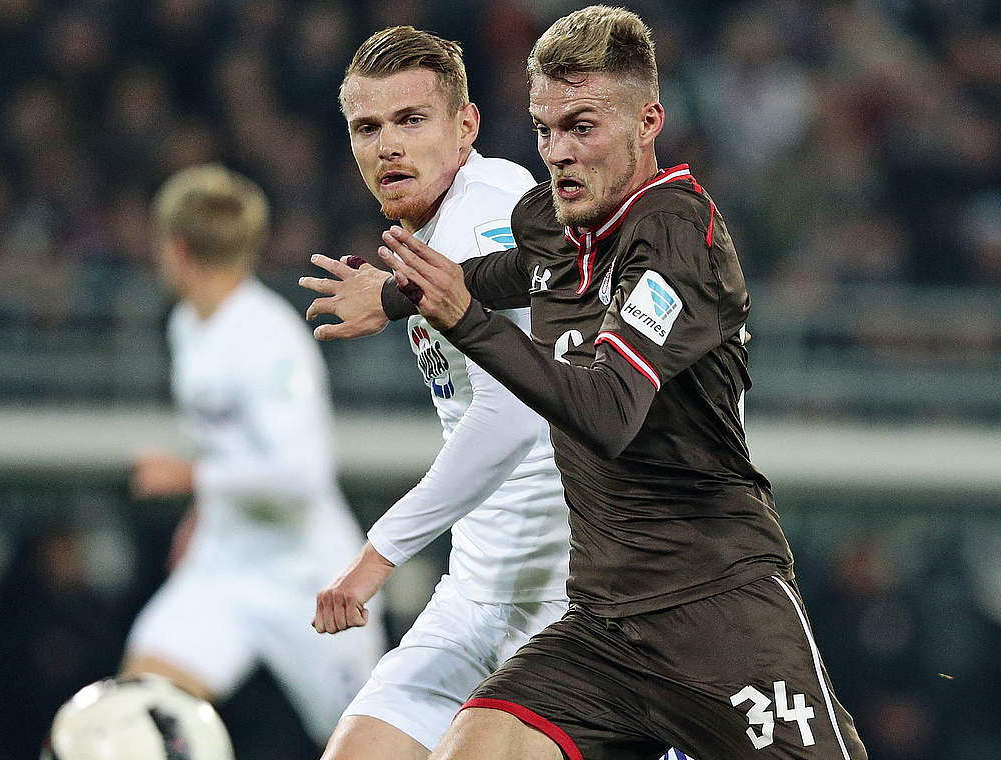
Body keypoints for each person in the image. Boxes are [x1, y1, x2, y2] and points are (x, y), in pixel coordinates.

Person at [306, 7, 868, 760]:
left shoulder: (675, 237)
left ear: (647, 122)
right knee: (475, 746)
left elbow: (607, 412)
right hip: (600, 625)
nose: (558, 153)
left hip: (713, 605)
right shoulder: (553, 224)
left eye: (582, 127)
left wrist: (468, 321)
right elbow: (494, 274)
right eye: (544, 130)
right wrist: (387, 296)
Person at [301, 26, 570, 760]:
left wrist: (376, 556)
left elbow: (514, 412)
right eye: (368, 127)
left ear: (466, 126)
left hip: (564, 605)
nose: (388, 145)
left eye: (411, 120)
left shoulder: (491, 208)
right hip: (475, 595)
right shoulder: (441, 230)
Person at [122, 164, 385, 748]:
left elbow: (302, 475)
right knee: (138, 713)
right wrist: (202, 515)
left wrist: (189, 479)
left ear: (177, 246)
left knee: (368, 746)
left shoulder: (270, 338)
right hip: (227, 562)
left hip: (308, 578)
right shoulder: (188, 325)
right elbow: (227, 442)